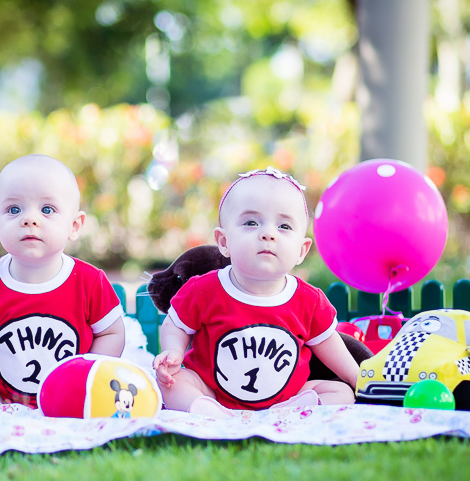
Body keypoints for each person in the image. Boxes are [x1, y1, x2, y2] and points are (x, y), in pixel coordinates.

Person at [0, 154, 126, 415]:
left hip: (68, 393)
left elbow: (112, 333)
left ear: (74, 225)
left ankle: (61, 407)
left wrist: (87, 376)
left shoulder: (89, 282)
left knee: (116, 389)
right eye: (14, 210)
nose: (29, 219)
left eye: (47, 210)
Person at [152, 167, 358, 418]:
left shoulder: (309, 300)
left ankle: (291, 412)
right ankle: (209, 413)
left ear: (302, 251)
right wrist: (173, 350)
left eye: (283, 226)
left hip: (289, 397)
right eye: (251, 222)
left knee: (341, 392)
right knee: (171, 382)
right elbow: (175, 325)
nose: (268, 234)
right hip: (212, 393)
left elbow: (329, 343)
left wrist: (355, 376)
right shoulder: (203, 289)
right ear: (224, 242)